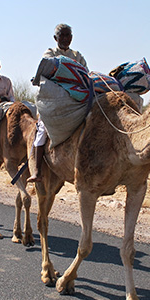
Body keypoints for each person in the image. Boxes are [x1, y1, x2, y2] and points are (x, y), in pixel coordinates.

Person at [27, 23, 86, 182]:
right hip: (54, 101)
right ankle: (37, 171)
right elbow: (48, 69)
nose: (65, 39)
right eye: (62, 36)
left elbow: (85, 74)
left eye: (68, 36)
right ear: (56, 38)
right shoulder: (50, 53)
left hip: (74, 101)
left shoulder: (78, 56)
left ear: (71, 38)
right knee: (42, 130)